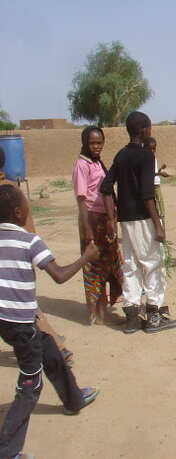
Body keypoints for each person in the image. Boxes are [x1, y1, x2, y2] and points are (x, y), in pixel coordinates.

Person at [0, 185, 101, 459]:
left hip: (6, 320)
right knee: (30, 386)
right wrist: (86, 257)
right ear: (19, 212)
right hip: (21, 324)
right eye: (26, 204)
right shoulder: (29, 241)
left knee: (49, 348)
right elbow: (59, 275)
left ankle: (73, 398)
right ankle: (7, 451)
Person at [100, 111, 176, 334]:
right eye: (150, 128)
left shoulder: (121, 155)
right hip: (144, 219)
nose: (150, 132)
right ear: (144, 131)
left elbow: (106, 188)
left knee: (131, 266)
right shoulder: (146, 156)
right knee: (153, 264)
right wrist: (158, 224)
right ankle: (154, 316)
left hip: (126, 221)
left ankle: (132, 318)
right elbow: (146, 194)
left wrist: (112, 218)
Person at [0, 149, 73, 366]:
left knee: (28, 310)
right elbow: (29, 227)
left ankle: (55, 348)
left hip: (10, 261)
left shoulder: (6, 192)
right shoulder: (12, 188)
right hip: (24, 256)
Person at [72, 126, 125, 325]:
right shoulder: (81, 165)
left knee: (111, 262)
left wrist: (111, 219)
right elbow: (81, 200)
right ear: (85, 143)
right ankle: (100, 314)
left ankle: (104, 309)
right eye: (92, 143)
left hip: (104, 220)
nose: (95, 146)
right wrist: (88, 230)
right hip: (92, 221)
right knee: (96, 265)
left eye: (99, 143)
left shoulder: (97, 163)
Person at [143, 137, 169, 228]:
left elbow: (153, 171)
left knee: (161, 209)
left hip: (156, 185)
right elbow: (147, 174)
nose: (152, 151)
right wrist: (160, 174)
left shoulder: (153, 158)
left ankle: (162, 229)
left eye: (154, 149)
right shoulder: (145, 159)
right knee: (157, 209)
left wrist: (160, 169)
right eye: (149, 149)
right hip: (152, 186)